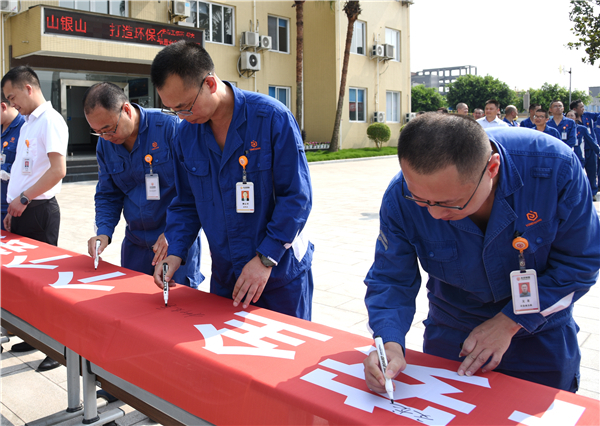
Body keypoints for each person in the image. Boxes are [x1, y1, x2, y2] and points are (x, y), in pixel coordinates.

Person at [363, 114, 599, 394]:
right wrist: (389, 342)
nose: (435, 214)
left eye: (450, 203)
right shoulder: (400, 195)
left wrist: (510, 322)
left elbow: (580, 263)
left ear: (492, 168)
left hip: (539, 333)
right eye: (422, 201)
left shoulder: (555, 169)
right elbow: (391, 278)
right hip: (454, 334)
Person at [150, 41, 314, 320]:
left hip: (279, 274)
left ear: (210, 84)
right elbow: (186, 202)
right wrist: (175, 252)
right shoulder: (185, 135)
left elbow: (297, 197)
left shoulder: (271, 119)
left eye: (185, 107)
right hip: (227, 277)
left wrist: (266, 258)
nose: (181, 117)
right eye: (172, 110)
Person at [83, 82, 203, 288]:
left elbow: (196, 189)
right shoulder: (105, 144)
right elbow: (108, 194)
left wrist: (175, 234)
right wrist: (103, 231)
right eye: (98, 132)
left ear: (126, 110)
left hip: (174, 245)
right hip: (136, 245)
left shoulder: (170, 128)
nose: (106, 137)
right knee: (133, 302)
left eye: (109, 129)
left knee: (179, 304)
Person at [1, 65, 68, 372]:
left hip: (39, 211)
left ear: (28, 88)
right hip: (22, 211)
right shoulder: (28, 123)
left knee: (43, 283)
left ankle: (56, 347)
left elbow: (58, 170)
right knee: (27, 283)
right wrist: (13, 207)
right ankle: (34, 336)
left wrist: (24, 198)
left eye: (12, 96)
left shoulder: (50, 121)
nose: (11, 103)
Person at [1, 94, 25, 229]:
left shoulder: (24, 127)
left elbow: (30, 166)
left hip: (12, 206)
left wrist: (5, 169)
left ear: (3, 106)